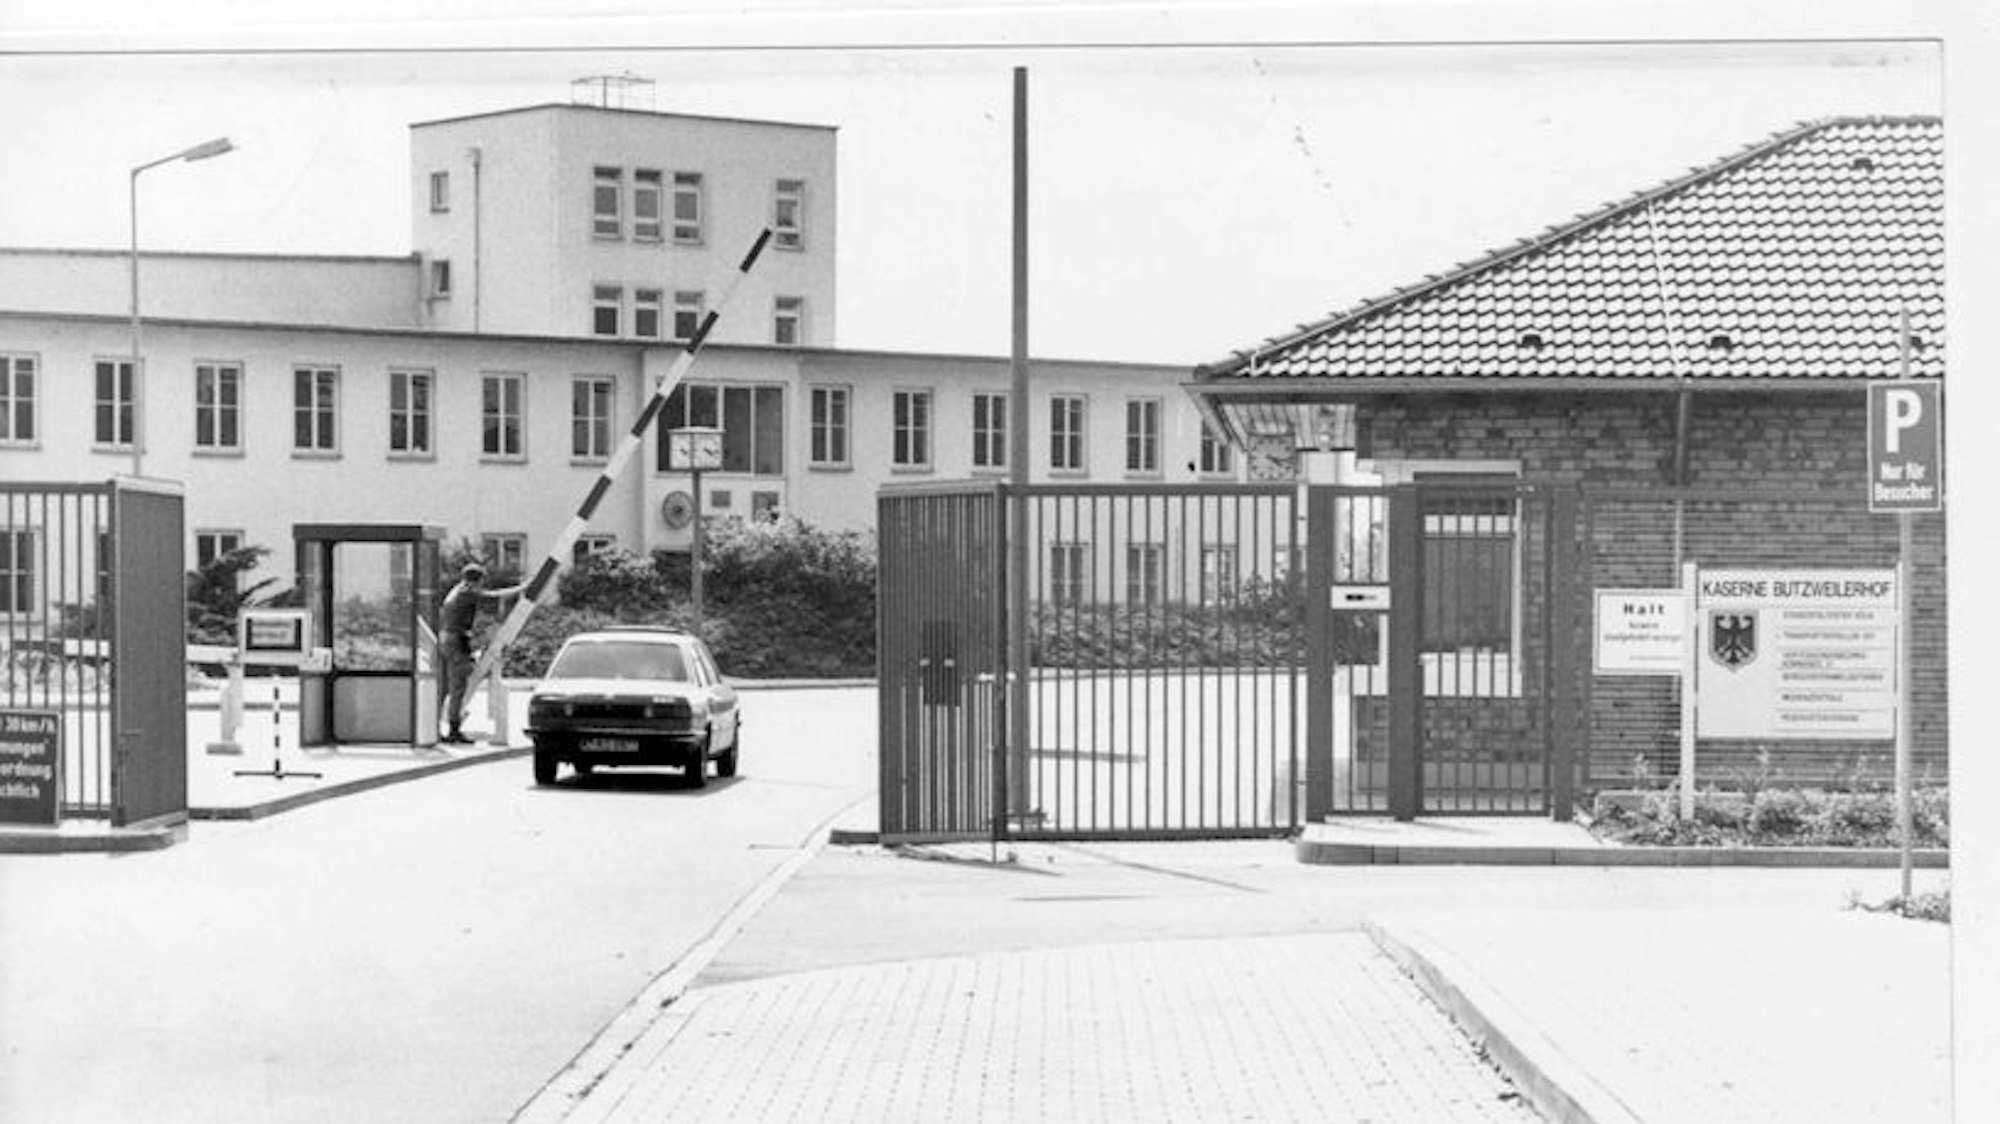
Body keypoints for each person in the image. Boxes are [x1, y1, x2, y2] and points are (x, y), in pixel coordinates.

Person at [438, 562, 523, 744]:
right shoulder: (466, 592)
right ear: (476, 580)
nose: (482, 585)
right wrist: (521, 588)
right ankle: (454, 727)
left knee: (455, 683)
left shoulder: (456, 590)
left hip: (450, 639)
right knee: (459, 686)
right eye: (481, 581)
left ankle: (450, 721)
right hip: (456, 641)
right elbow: (493, 596)